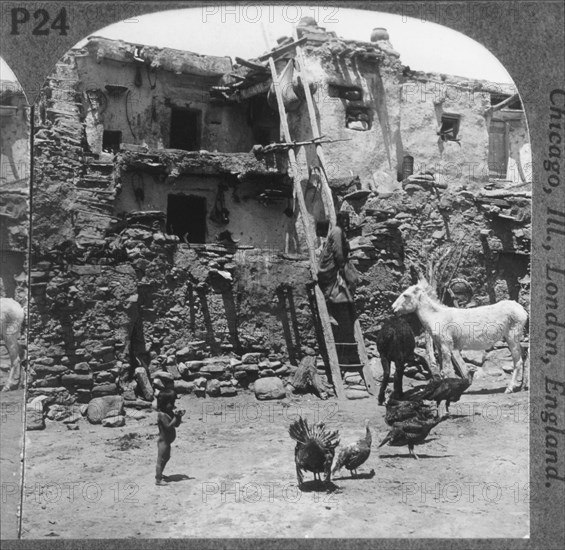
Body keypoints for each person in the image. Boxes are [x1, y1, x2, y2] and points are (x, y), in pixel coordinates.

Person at [317, 212, 358, 314]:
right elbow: (338, 251)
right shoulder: (337, 231)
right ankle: (329, 311)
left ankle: (345, 302)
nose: (345, 221)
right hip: (329, 264)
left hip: (338, 262)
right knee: (331, 287)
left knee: (353, 279)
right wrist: (341, 266)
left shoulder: (341, 232)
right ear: (339, 220)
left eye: (346, 219)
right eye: (342, 219)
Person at [155, 388, 185, 486]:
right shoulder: (161, 415)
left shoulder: (169, 412)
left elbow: (176, 425)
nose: (173, 405)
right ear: (164, 403)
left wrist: (179, 417)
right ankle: (158, 480)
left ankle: (161, 474)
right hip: (163, 442)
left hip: (168, 442)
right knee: (160, 460)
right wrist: (175, 417)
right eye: (171, 403)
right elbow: (168, 427)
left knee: (166, 458)